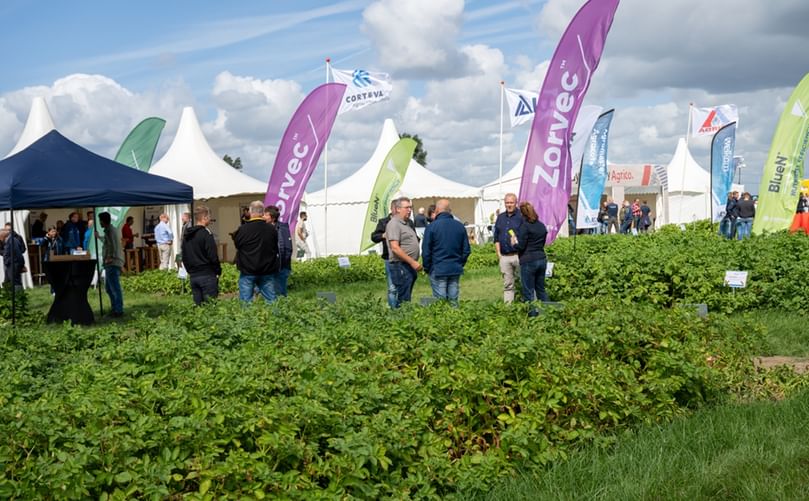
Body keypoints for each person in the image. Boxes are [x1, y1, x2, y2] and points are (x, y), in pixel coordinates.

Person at [421, 199, 470, 306]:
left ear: (437, 210)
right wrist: (459, 263)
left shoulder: (431, 227)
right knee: (453, 301)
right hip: (454, 268)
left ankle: (443, 322)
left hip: (437, 268)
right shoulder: (460, 226)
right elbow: (466, 250)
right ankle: (455, 321)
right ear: (450, 211)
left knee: (440, 303)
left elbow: (426, 251)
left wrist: (427, 267)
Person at [232, 201, 279, 303]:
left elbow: (237, 245)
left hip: (247, 270)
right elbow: (275, 248)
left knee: (246, 303)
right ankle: (275, 318)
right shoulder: (272, 229)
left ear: (250, 212)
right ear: (262, 212)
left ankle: (248, 319)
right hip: (267, 270)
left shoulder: (242, 229)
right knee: (271, 301)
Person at [181, 205, 221, 305]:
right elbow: (212, 255)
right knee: (210, 308)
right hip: (207, 274)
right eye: (209, 217)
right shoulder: (206, 234)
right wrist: (218, 270)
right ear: (204, 218)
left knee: (198, 309)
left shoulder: (187, 235)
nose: (210, 220)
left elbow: (184, 255)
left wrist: (190, 270)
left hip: (194, 275)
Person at [514, 202, 549, 316]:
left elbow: (521, 246)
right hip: (541, 257)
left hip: (528, 259)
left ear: (522, 214)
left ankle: (532, 316)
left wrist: (514, 243)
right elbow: (543, 243)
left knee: (528, 291)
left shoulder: (525, 226)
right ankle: (547, 314)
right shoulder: (541, 225)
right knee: (541, 289)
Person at [386, 197, 421, 307]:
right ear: (398, 209)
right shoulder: (394, 224)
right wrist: (412, 262)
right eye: (406, 208)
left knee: (406, 295)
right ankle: (400, 319)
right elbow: (395, 248)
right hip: (401, 265)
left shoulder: (406, 223)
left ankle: (404, 317)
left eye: (410, 207)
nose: (409, 210)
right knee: (403, 298)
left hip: (407, 266)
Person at [492, 193, 523, 303]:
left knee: (523, 282)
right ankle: (508, 309)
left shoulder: (521, 216)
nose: (509, 205)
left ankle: (525, 305)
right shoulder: (500, 217)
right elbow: (496, 237)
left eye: (511, 202)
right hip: (504, 256)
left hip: (518, 255)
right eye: (507, 203)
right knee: (508, 284)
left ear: (516, 203)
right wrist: (499, 254)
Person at [370, 199, 401, 308]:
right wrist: (383, 235)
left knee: (404, 286)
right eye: (397, 208)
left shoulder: (407, 222)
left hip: (404, 258)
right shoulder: (384, 222)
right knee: (392, 287)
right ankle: (393, 309)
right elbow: (374, 237)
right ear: (392, 209)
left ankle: (403, 308)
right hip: (390, 258)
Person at [99, 212, 124, 317]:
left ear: (103, 221)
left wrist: (110, 257)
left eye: (100, 220)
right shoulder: (109, 230)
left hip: (113, 262)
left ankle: (118, 310)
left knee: (114, 287)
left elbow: (113, 245)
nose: (99, 222)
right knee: (109, 288)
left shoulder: (110, 231)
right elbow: (107, 241)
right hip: (111, 262)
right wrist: (98, 237)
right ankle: (114, 308)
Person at [264, 205, 292, 297]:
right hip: (269, 266)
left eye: (266, 215)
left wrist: (282, 264)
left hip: (281, 266)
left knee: (280, 293)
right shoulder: (264, 228)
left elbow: (287, 248)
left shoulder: (282, 228)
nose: (263, 216)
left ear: (272, 217)